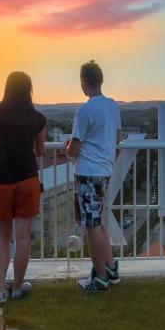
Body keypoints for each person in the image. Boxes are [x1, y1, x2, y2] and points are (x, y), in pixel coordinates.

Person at [0, 71, 46, 304]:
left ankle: (1, 289)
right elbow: (39, 151)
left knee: (3, 236)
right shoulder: (37, 119)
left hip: (1, 179)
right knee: (22, 238)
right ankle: (18, 288)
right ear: (28, 90)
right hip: (27, 179)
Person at [66, 60, 121, 292]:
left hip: (88, 172)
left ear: (83, 82)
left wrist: (66, 148)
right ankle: (110, 268)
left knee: (92, 225)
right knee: (97, 222)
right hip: (105, 170)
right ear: (100, 80)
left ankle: (99, 278)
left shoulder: (85, 110)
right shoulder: (112, 106)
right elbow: (116, 138)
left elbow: (74, 149)